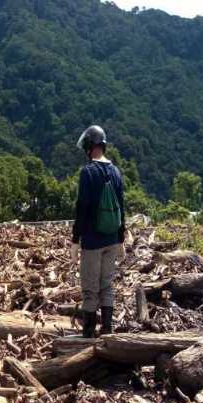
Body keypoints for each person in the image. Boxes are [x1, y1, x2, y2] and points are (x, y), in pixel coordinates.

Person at [70, 125, 126, 338]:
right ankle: (108, 330)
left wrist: (76, 240)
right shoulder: (116, 171)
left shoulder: (87, 172)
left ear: (88, 146)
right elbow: (121, 206)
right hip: (112, 239)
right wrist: (121, 239)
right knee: (107, 285)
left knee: (90, 289)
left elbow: (82, 208)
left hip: (92, 241)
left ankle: (88, 334)